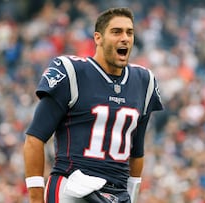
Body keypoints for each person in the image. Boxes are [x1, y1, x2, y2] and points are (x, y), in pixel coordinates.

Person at [23, 7, 163, 203]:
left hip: (117, 193)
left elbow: (136, 152)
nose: (125, 38)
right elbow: (34, 139)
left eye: (129, 32)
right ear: (98, 38)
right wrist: (36, 198)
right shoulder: (72, 72)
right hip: (72, 189)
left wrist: (133, 195)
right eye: (116, 32)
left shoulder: (144, 81)